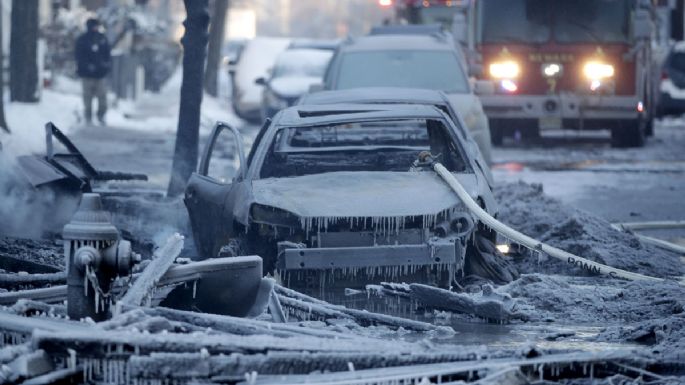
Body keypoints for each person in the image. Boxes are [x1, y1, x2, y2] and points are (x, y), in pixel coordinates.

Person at [75, 18, 111, 125]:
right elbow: (79, 56)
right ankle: (88, 117)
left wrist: (104, 66)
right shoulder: (82, 39)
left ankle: (101, 115)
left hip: (100, 74)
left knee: (102, 98)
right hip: (86, 74)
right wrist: (86, 66)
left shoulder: (102, 38)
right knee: (87, 98)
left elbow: (107, 54)